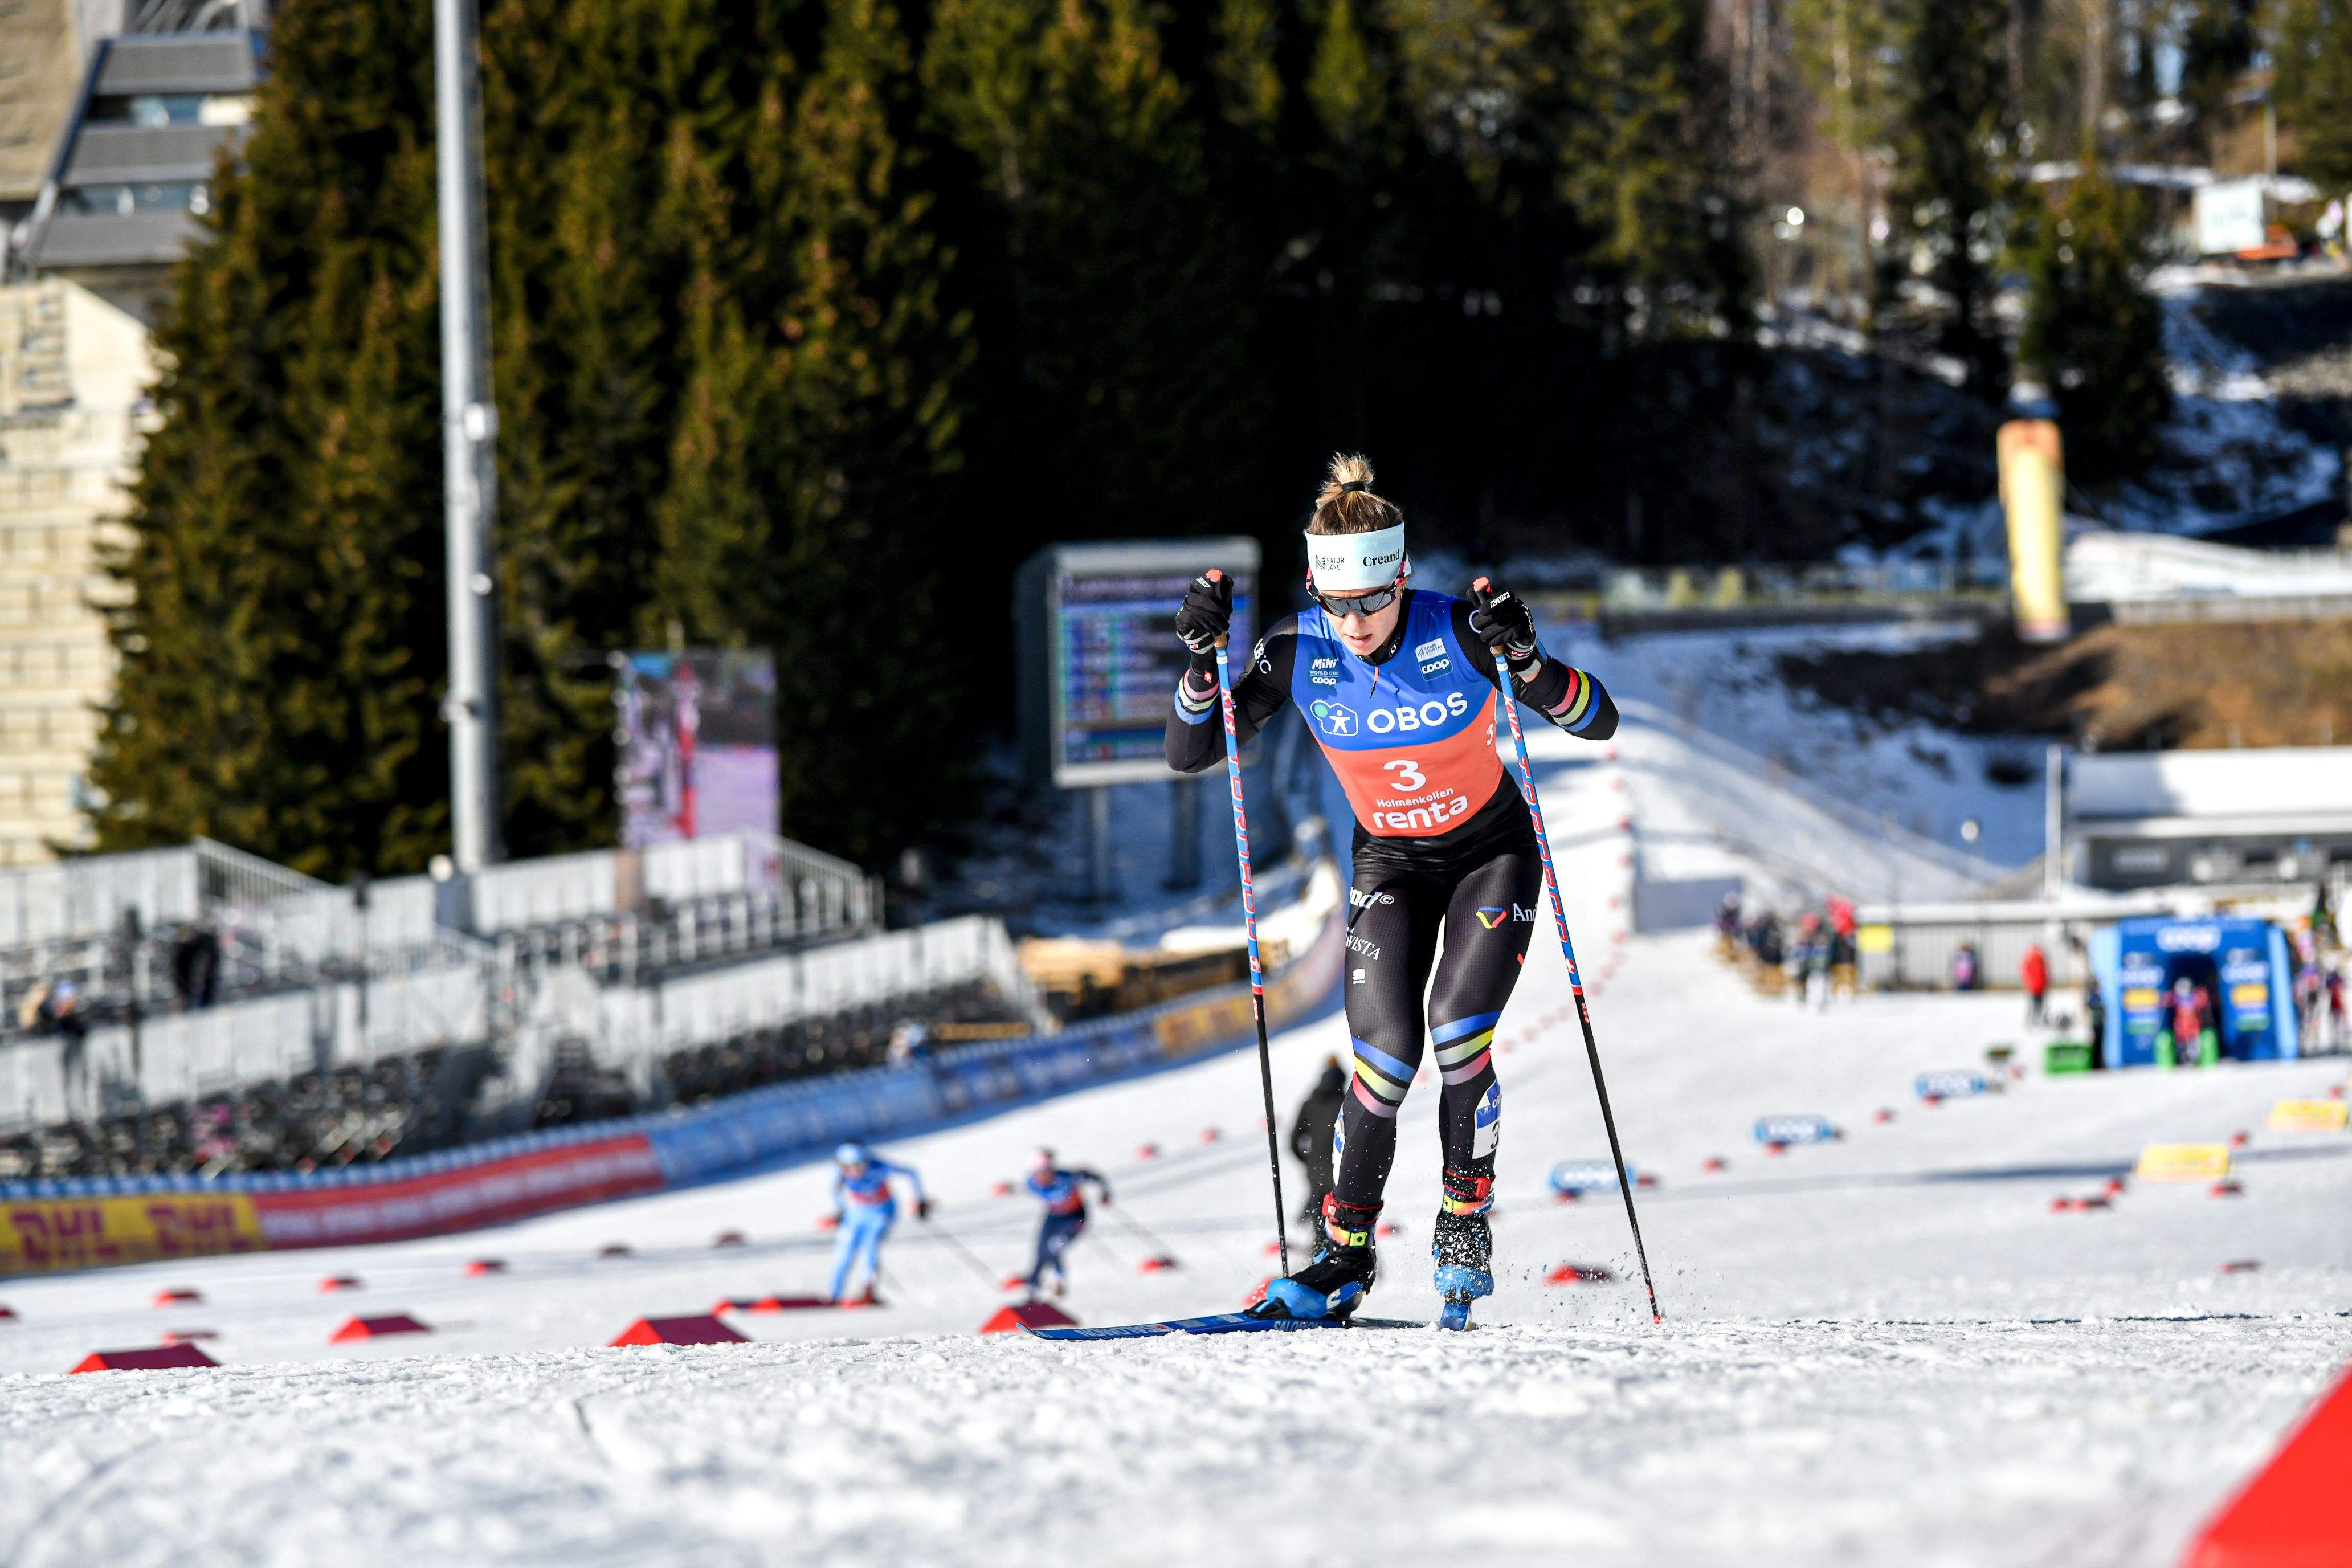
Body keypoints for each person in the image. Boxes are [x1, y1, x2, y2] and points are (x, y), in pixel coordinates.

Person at [1165, 453, 1618, 1325]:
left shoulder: (1459, 631)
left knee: (1458, 1035)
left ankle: (1462, 1224)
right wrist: (1199, 662)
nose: (1360, 620)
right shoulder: (1297, 650)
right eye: (1341, 603)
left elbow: (1596, 718)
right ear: (1314, 588)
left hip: (1492, 852)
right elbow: (1191, 752)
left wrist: (1525, 658)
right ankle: (1343, 1256)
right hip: (1391, 864)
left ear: (1403, 576)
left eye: (1376, 598)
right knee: (1381, 1066)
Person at [826, 1142, 928, 1304]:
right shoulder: (838, 1172)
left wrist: (920, 1200)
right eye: (847, 1168)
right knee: (844, 1248)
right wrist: (840, 1209)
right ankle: (834, 1295)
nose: (853, 1172)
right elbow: (833, 1189)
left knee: (870, 1245)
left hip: (882, 1211)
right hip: (856, 1211)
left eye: (858, 1167)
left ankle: (868, 1290)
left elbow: (911, 1173)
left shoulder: (879, 1167)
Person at [1022, 1146, 1112, 1297]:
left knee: (1055, 1246)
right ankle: (1033, 1287)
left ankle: (1058, 1281)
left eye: (1046, 1171)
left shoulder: (1066, 1177)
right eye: (1039, 1173)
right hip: (1054, 1216)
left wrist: (1105, 1193)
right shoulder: (1032, 1183)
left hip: (1076, 1217)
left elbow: (1097, 1178)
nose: (1043, 1176)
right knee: (1041, 1249)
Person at [1288, 1055, 1347, 1222]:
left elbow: (1293, 1141)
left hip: (1315, 1170)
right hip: (1338, 1171)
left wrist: (1308, 1161)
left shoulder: (1310, 1103)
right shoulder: (1344, 1105)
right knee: (1338, 1219)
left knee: (1318, 1218)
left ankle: (1316, 1246)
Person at [2020, 942, 2049, 1027]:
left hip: (2038, 986)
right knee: (2035, 1005)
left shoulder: (2039, 959)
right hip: (2035, 987)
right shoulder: (2035, 959)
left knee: (2038, 1005)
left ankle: (2036, 1021)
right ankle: (2032, 1021)